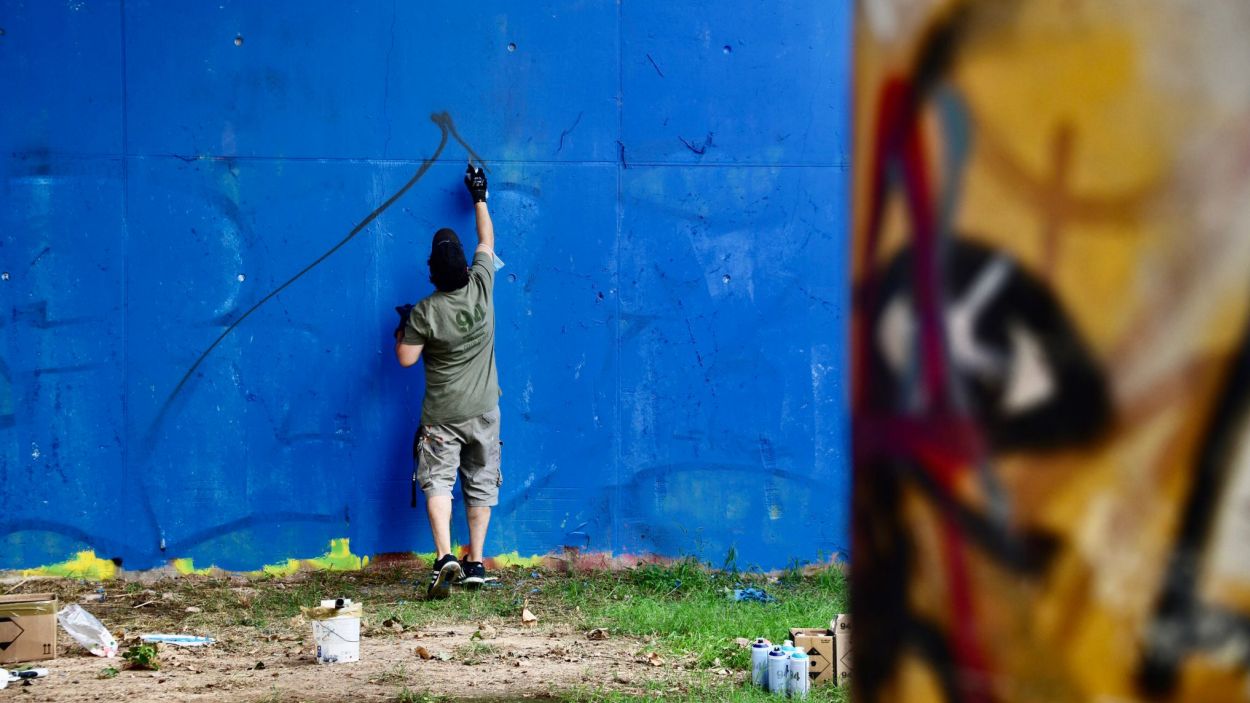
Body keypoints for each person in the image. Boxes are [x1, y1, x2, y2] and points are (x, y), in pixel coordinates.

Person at [394, 163, 501, 599]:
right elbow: (487, 240)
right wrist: (479, 196)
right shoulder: (482, 284)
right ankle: (475, 561)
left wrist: (404, 327)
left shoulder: (426, 310)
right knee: (480, 482)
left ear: (433, 274)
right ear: (465, 267)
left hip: (442, 417)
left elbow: (405, 359)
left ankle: (444, 557)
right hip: (485, 410)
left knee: (439, 481)